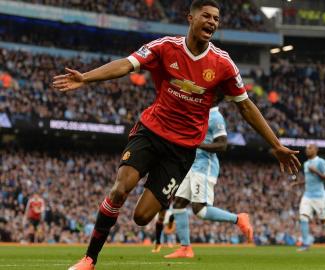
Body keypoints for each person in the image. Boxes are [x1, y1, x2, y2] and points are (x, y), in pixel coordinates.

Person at [53, 1, 300, 269]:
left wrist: (276, 145)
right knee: (120, 189)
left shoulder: (223, 64)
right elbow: (126, 64)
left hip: (181, 150)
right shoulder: (165, 47)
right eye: (206, 16)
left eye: (216, 18)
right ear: (190, 18)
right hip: (151, 131)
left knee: (142, 217)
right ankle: (89, 259)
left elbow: (246, 106)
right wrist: (86, 78)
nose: (212, 22)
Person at [165, 103, 252, 259]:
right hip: (192, 165)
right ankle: (185, 248)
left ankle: (238, 219)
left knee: (200, 210)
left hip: (204, 167)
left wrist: (198, 144)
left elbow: (222, 144)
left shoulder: (215, 117)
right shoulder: (198, 113)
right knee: (178, 204)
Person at [291, 144, 325, 251]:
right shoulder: (306, 164)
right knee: (303, 217)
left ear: (316, 150)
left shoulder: (321, 162)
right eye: (307, 148)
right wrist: (299, 183)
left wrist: (316, 171)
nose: (307, 150)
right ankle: (305, 244)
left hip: (319, 196)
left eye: (310, 148)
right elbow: (309, 179)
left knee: (324, 222)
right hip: (307, 196)